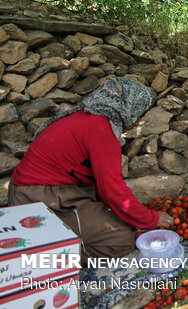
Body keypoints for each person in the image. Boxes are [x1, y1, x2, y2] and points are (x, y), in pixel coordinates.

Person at [9, 77, 174, 261]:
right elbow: (112, 190)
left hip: (42, 190)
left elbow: (102, 186)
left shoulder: (87, 117)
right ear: (130, 108)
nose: (136, 123)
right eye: (139, 116)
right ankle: (44, 259)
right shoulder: (101, 130)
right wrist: (151, 219)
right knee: (120, 240)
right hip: (40, 196)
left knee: (115, 221)